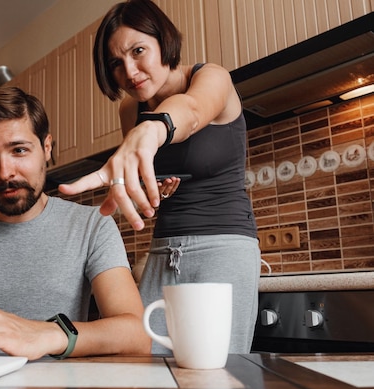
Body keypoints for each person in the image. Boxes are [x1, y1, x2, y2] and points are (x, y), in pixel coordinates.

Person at [59, 0, 260, 354]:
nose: (130, 71)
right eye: (116, 63)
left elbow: (193, 110)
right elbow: (143, 174)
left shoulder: (212, 77)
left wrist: (153, 128)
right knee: (145, 362)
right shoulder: (130, 107)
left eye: (139, 51)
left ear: (163, 41)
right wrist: (155, 194)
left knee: (214, 370)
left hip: (225, 244)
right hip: (163, 250)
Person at [0, 86, 151, 360]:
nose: (5, 173)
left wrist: (45, 333)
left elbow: (137, 336)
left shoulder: (92, 225)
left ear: (46, 147)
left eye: (19, 150)